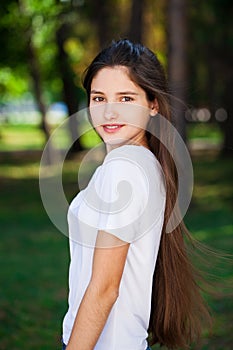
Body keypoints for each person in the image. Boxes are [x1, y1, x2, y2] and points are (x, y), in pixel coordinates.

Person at [61, 39, 211, 350]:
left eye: (126, 98)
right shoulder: (142, 163)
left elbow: (105, 289)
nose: (110, 111)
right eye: (99, 97)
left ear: (153, 104)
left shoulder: (125, 169)